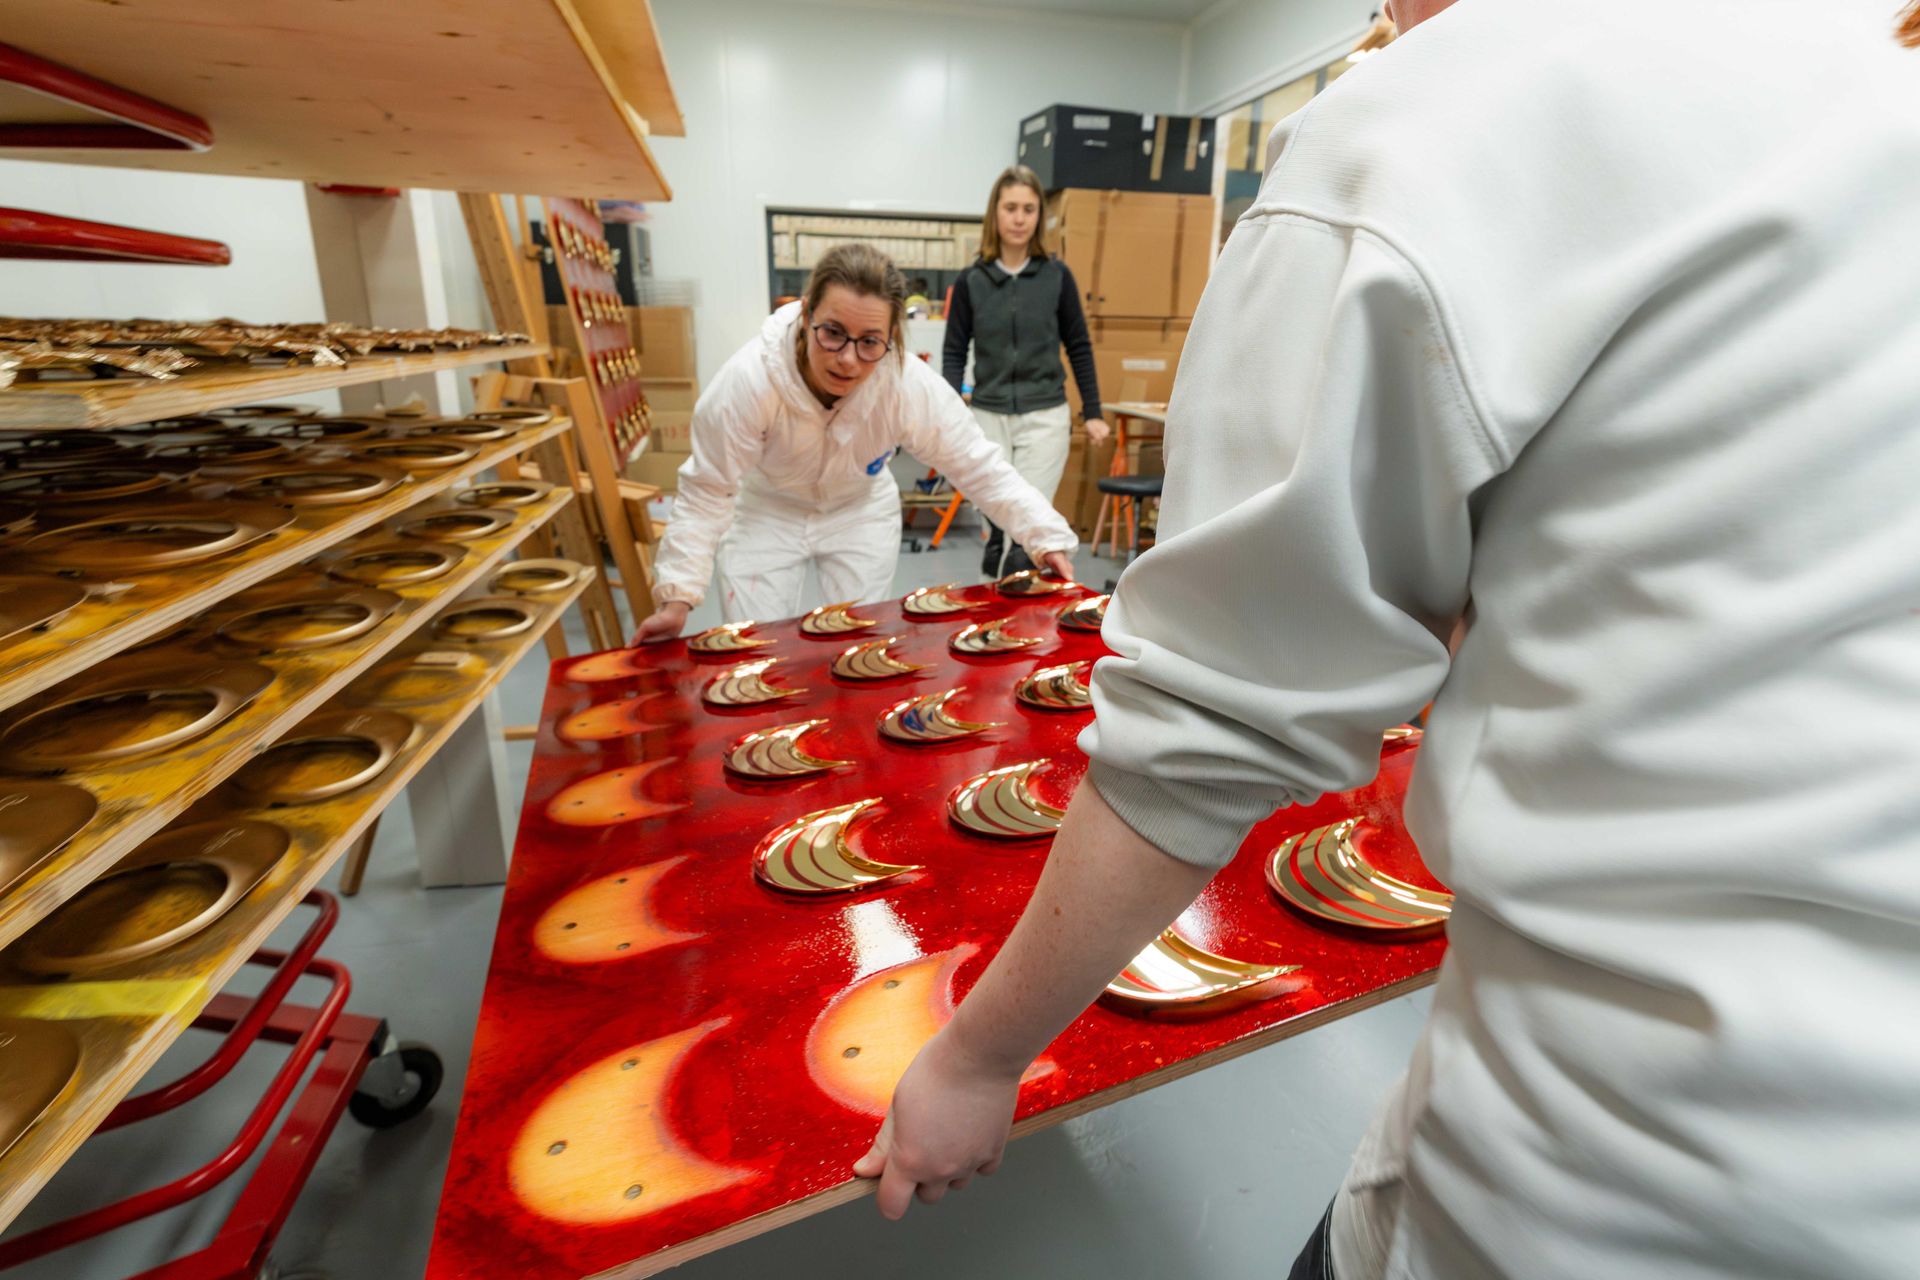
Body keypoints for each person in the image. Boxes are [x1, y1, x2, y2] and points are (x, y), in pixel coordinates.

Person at [854, 2, 1920, 1278]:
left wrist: (976, 1055)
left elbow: (1213, 724)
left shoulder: (1440, 116)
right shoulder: (1868, 85)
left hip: (1615, 1178)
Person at [635, 244, 1078, 640]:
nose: (847, 359)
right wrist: (677, 597)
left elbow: (976, 464)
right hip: (769, 509)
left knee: (857, 646)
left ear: (892, 338)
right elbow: (708, 489)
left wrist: (1044, 536)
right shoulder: (750, 381)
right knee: (756, 646)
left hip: (858, 510)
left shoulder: (905, 383)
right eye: (832, 333)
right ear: (807, 315)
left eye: (869, 342)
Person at [942, 164, 1107, 578]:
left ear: (1039, 217)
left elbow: (1080, 346)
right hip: (987, 417)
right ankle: (994, 612)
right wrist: (947, 413)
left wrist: (1093, 411)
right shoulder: (971, 281)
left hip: (1043, 417)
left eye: (1029, 209)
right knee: (995, 524)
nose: (1019, 218)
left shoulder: (1055, 277)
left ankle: (1015, 623)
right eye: (1011, 207)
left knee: (1026, 527)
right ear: (995, 213)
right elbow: (954, 352)